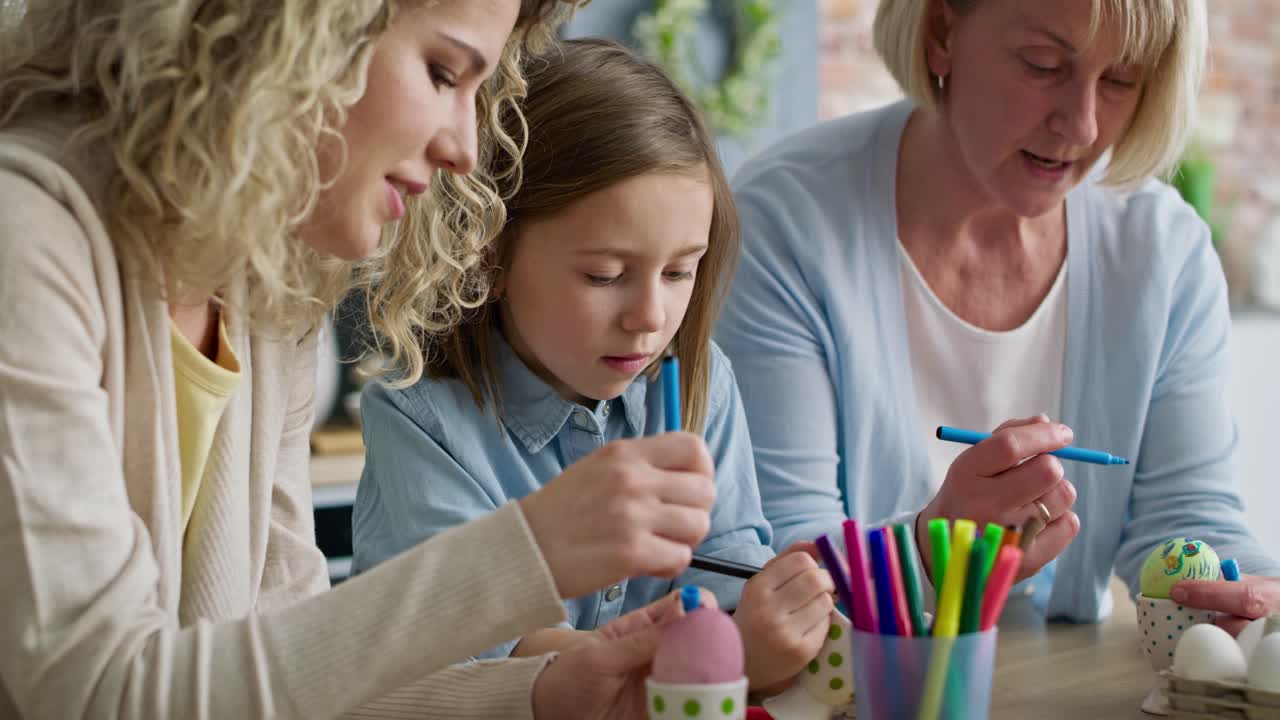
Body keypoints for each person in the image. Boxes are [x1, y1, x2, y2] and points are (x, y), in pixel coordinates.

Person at [0, 2, 721, 718]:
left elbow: (294, 684)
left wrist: (541, 694)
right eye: (443, 73)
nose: (466, 150)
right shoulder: (24, 241)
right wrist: (525, 552)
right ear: (292, 31)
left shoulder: (266, 292)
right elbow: (101, 694)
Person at [716, 0, 1280, 628]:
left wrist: (1256, 600)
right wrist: (931, 552)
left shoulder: (1164, 251)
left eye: (1121, 79)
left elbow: (1189, 521)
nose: (1082, 126)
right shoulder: (785, 225)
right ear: (941, 33)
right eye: (1043, 65)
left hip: (1067, 670)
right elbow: (776, 567)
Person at [351, 38, 836, 695]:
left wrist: (768, 615)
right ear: (490, 254)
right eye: (605, 275)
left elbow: (723, 565)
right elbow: (487, 652)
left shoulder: (702, 381)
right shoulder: (419, 418)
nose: (650, 316)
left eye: (679, 272)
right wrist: (724, 654)